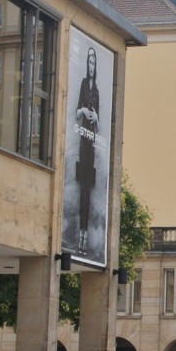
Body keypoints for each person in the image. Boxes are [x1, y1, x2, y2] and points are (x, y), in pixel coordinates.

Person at [74, 47, 100, 254]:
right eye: (89, 63)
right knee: (81, 188)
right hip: (83, 143)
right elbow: (76, 113)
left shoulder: (97, 91)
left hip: (91, 145)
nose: (91, 67)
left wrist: (96, 117)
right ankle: (80, 234)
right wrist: (83, 110)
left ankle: (85, 234)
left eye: (93, 64)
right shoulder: (83, 85)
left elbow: (98, 125)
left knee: (88, 190)